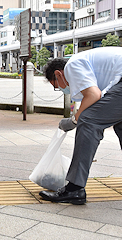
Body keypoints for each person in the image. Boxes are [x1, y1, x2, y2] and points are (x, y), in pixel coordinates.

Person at [41, 46, 122, 205]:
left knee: (88, 121)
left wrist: (74, 121)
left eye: (56, 86)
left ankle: (74, 188)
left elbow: (93, 95)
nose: (61, 89)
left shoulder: (72, 65)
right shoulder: (87, 61)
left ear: (59, 74)